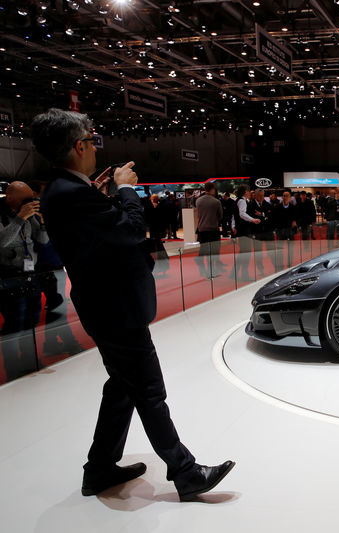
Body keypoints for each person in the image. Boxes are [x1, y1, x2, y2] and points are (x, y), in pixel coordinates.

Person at [32, 108, 234, 501]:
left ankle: (100, 468)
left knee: (123, 388)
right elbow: (127, 231)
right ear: (78, 146)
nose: (94, 147)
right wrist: (126, 190)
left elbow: (101, 234)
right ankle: (186, 472)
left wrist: (103, 193)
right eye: (92, 140)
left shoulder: (67, 189)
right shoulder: (70, 193)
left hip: (107, 305)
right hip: (114, 309)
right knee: (148, 390)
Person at [0, 181, 49, 382]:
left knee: (32, 321)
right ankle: (12, 369)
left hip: (31, 275)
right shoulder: (9, 215)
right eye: (25, 198)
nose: (30, 201)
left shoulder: (28, 214)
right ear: (10, 197)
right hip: (9, 278)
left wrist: (43, 222)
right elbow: (2, 241)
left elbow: (43, 240)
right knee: (15, 325)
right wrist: (20, 218)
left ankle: (30, 362)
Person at [195, 182, 224, 279]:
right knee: (214, 252)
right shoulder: (216, 201)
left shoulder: (198, 201)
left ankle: (205, 270)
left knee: (204, 250)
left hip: (202, 229)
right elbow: (220, 216)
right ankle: (211, 272)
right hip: (212, 229)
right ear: (212, 189)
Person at [233, 185, 262, 281]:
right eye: (249, 191)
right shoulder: (242, 201)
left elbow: (235, 215)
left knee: (243, 252)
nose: (250, 193)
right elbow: (242, 214)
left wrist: (233, 226)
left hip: (242, 229)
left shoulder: (240, 200)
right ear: (245, 192)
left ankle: (234, 273)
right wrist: (252, 219)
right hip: (244, 230)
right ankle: (244, 274)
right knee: (246, 253)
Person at [271, 190, 297, 270]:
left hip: (290, 230)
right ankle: (280, 265)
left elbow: (296, 217)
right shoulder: (277, 207)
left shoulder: (293, 207)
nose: (285, 197)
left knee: (290, 248)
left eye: (287, 196)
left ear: (290, 197)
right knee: (280, 249)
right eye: (284, 196)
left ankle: (290, 264)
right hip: (280, 230)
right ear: (282, 197)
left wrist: (295, 222)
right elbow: (274, 219)